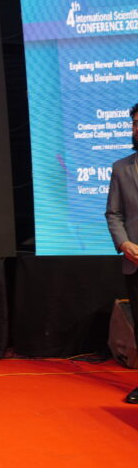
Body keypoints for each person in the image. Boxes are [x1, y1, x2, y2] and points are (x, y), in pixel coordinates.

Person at [105, 102, 138, 405]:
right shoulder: (121, 167)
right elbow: (113, 213)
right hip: (135, 261)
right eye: (136, 123)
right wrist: (125, 244)